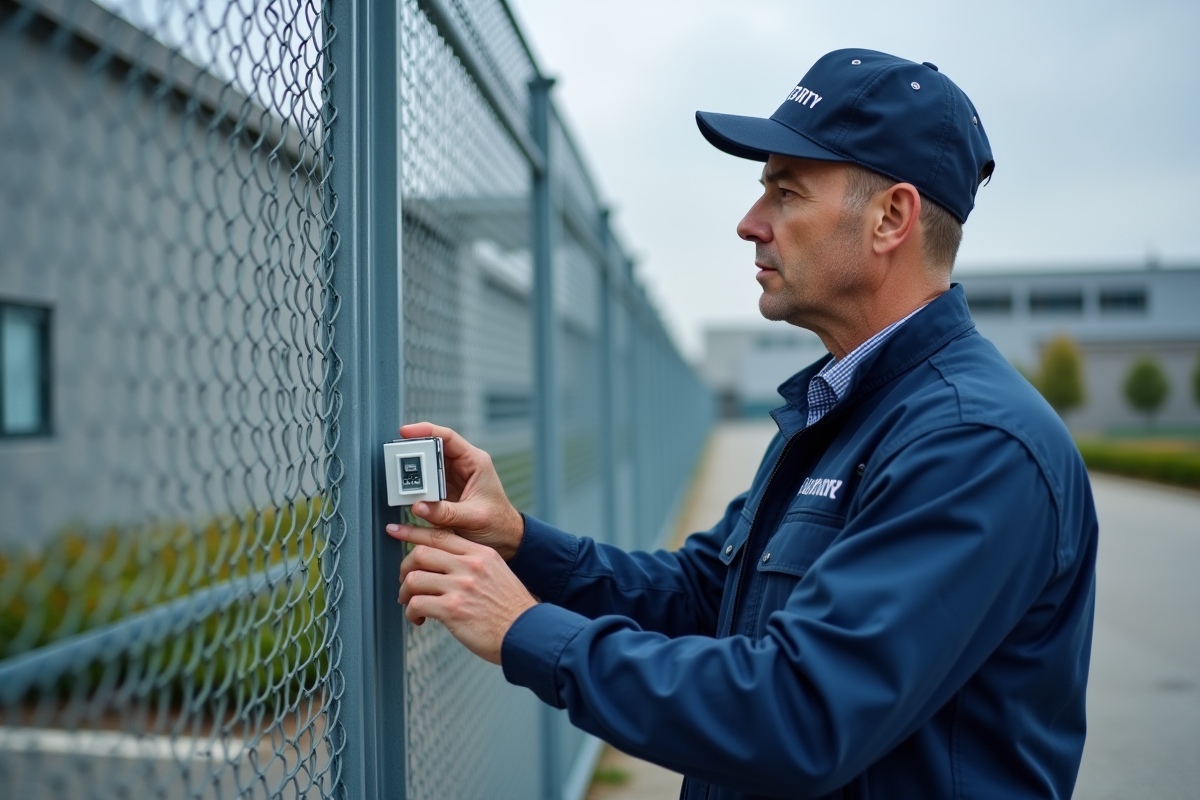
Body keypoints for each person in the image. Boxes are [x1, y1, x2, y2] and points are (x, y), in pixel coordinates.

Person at [386, 48, 1098, 800]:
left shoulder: (974, 444)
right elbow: (706, 598)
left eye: (785, 193)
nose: (749, 224)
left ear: (892, 217)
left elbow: (799, 713)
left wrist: (525, 629)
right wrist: (521, 544)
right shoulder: (847, 408)